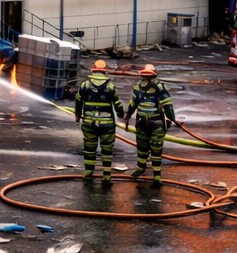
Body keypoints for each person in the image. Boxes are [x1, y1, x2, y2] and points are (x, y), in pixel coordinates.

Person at [124, 64, 180, 187]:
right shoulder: (161, 87)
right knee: (156, 150)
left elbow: (132, 104)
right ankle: (157, 176)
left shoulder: (137, 87)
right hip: (157, 123)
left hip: (141, 122)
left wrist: (127, 116)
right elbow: (167, 106)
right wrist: (172, 120)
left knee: (142, 147)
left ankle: (140, 169)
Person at [73, 59, 122, 187]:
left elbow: (78, 101)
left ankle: (88, 172)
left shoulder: (85, 85)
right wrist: (123, 115)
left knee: (89, 149)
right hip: (107, 124)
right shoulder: (110, 86)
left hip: (89, 123)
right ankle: (106, 175)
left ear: (93, 70)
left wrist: (77, 116)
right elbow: (117, 104)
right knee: (107, 150)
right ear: (105, 71)